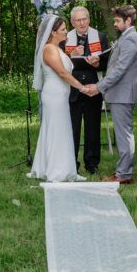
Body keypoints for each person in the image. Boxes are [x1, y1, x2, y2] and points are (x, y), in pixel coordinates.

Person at [27, 15, 92, 182]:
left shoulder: (58, 48)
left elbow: (65, 67)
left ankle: (66, 168)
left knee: (63, 130)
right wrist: (83, 88)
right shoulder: (49, 49)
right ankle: (55, 170)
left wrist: (73, 56)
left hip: (61, 95)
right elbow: (62, 73)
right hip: (54, 94)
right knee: (56, 130)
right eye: (63, 30)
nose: (66, 33)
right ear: (53, 32)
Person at [85, 5, 137, 184]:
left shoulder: (131, 40)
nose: (115, 24)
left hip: (123, 93)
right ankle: (122, 172)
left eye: (118, 21)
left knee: (124, 135)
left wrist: (99, 87)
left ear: (128, 21)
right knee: (122, 134)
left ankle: (123, 175)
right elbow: (114, 63)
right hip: (119, 93)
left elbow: (120, 70)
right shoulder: (125, 38)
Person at [66, 6, 110, 175]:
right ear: (72, 22)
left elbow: (107, 63)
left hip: (93, 89)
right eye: (78, 20)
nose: (82, 23)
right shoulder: (66, 38)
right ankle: (71, 163)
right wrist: (70, 56)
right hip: (73, 90)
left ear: (89, 19)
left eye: (84, 19)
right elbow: (60, 65)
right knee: (72, 129)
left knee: (92, 129)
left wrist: (98, 63)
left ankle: (92, 164)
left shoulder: (99, 36)